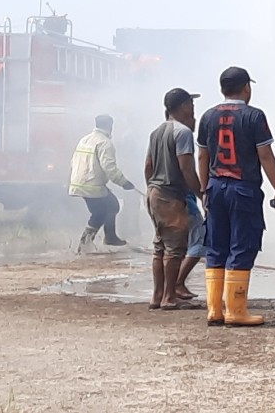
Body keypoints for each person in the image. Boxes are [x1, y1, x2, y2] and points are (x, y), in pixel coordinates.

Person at [197, 67, 275, 327]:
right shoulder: (254, 116)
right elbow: (265, 155)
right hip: (243, 189)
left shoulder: (207, 117)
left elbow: (202, 156)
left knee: (216, 247)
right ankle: (236, 311)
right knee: (242, 246)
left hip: (215, 187)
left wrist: (204, 189)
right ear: (246, 87)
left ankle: (215, 310)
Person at [143, 88, 203, 310]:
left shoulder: (156, 132)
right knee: (174, 249)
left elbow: (148, 166)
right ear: (184, 106)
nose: (193, 107)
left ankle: (157, 296)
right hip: (171, 195)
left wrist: (151, 189)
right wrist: (201, 194)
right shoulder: (183, 133)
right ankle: (170, 297)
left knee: (160, 247)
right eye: (190, 103)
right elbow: (186, 168)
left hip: (155, 193)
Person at [69, 114, 137, 252]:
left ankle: (108, 237)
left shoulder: (85, 139)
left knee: (110, 206)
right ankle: (86, 242)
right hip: (91, 185)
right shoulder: (105, 143)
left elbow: (73, 162)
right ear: (110, 126)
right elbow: (109, 168)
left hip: (80, 182)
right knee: (102, 211)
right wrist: (123, 182)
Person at [177, 191, 205, 300]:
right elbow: (190, 177)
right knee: (198, 244)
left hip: (165, 204)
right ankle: (178, 283)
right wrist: (203, 196)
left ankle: (166, 289)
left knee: (174, 246)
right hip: (186, 205)